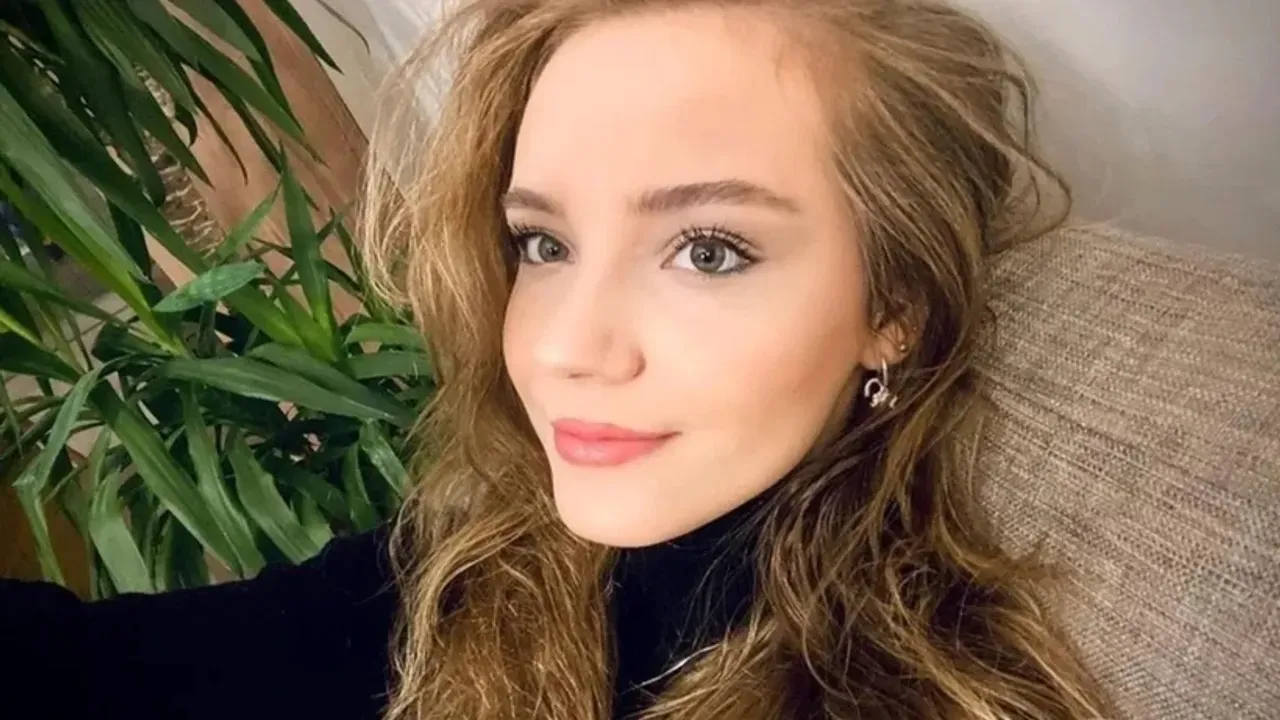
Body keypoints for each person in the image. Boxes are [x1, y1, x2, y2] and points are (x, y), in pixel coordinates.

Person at [1, 0, 1113, 718]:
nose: (564, 347)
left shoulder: (910, 686)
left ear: (895, 307)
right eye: (542, 244)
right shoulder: (470, 569)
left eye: (708, 250)